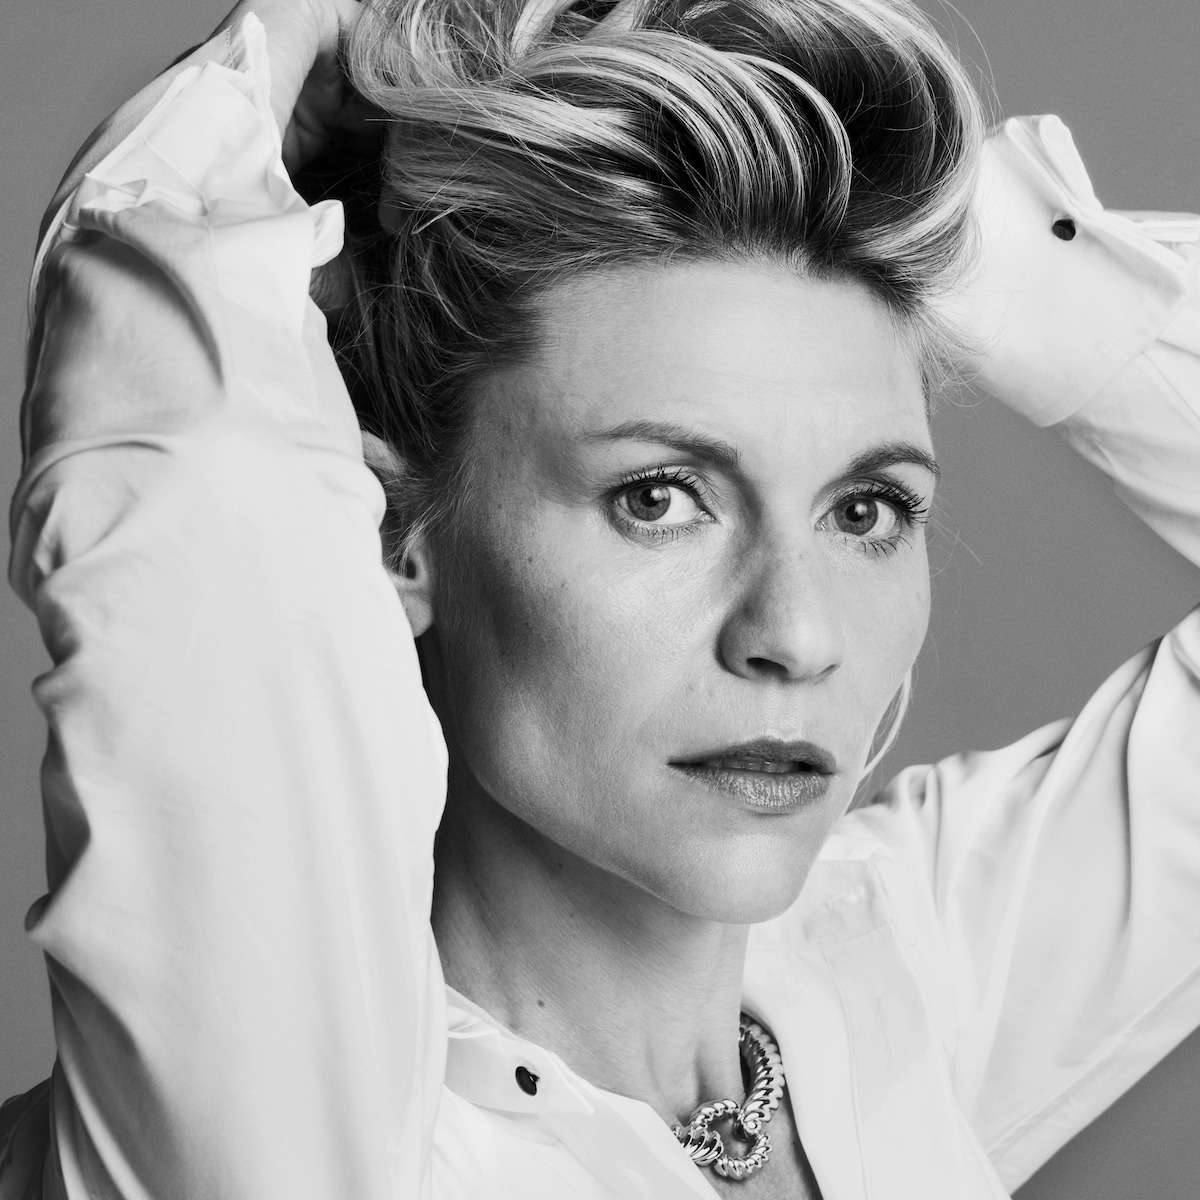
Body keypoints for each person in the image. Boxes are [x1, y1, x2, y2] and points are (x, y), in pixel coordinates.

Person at [1, 0, 1198, 1196]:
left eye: (865, 509)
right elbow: (188, 492)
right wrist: (261, 70)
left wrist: (933, 224)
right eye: (660, 498)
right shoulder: (294, 1120)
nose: (796, 633)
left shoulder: (890, 980)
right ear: (394, 531)